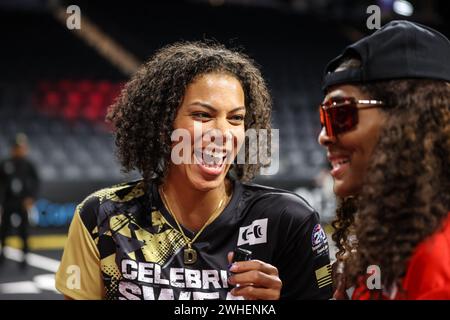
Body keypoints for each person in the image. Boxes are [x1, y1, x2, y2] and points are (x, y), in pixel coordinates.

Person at [55, 41, 333, 300]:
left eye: (236, 118)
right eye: (202, 115)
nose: (223, 133)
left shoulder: (288, 222)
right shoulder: (102, 217)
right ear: (163, 126)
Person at [318, 20, 450, 299]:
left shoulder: (438, 262)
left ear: (407, 121)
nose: (323, 136)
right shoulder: (392, 237)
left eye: (339, 114)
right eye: (323, 117)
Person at [0, 133, 40, 267]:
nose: (20, 150)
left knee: (24, 230)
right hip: (8, 202)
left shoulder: (29, 165)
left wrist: (31, 198)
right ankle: (3, 251)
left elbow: (35, 183)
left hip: (23, 202)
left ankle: (25, 256)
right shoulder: (5, 163)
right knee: (4, 229)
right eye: (18, 147)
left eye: (22, 147)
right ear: (13, 148)